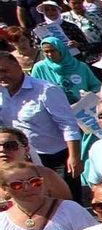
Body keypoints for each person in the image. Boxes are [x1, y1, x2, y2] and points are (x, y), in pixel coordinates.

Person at [0, 48, 82, 192]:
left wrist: (74, 157)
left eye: (4, 70)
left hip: (56, 159)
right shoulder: (2, 92)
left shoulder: (46, 90)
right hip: (21, 159)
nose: (1, 76)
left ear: (18, 67)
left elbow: (68, 124)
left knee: (64, 199)